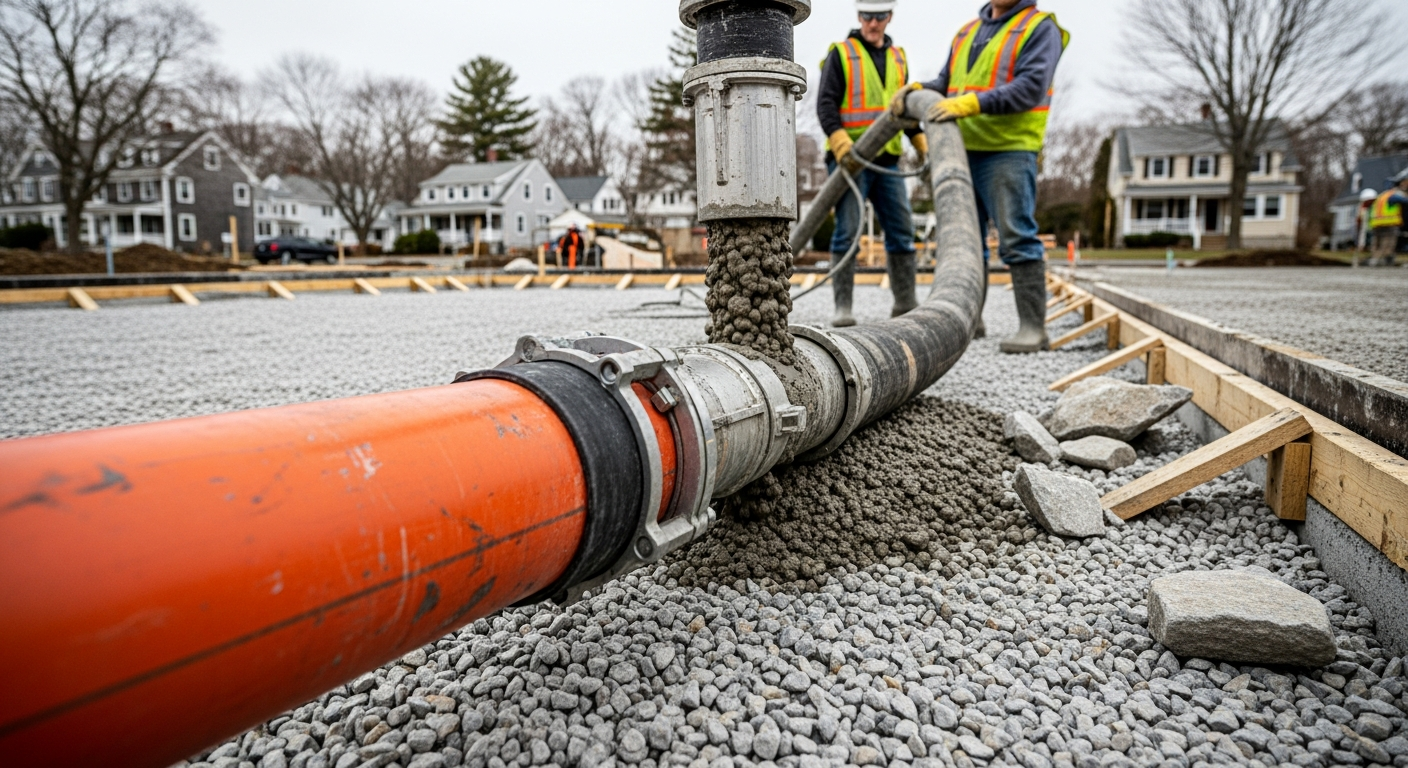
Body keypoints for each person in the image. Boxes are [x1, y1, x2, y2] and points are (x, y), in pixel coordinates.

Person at [893, 0, 1068, 352]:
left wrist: (973, 103)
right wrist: (918, 89)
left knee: (1016, 235)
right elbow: (947, 83)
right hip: (960, 148)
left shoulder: (1039, 27)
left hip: (1008, 149)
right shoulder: (968, 32)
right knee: (966, 242)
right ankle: (973, 319)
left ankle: (1033, 328)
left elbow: (1031, 86)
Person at [818, 0, 929, 327]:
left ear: (889, 17)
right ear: (859, 16)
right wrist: (838, 140)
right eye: (867, 16)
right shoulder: (841, 53)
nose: (873, 23)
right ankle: (843, 308)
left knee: (901, 230)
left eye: (879, 17)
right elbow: (826, 103)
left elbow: (901, 109)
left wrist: (917, 137)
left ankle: (905, 303)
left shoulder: (898, 58)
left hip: (888, 162)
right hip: (849, 160)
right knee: (848, 232)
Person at [1369, 173, 1407, 267]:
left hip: (1376, 224)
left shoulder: (1380, 196)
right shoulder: (1392, 195)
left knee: (1377, 243)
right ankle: (1385, 260)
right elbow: (1405, 201)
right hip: (1389, 224)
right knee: (1388, 243)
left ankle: (1375, 259)